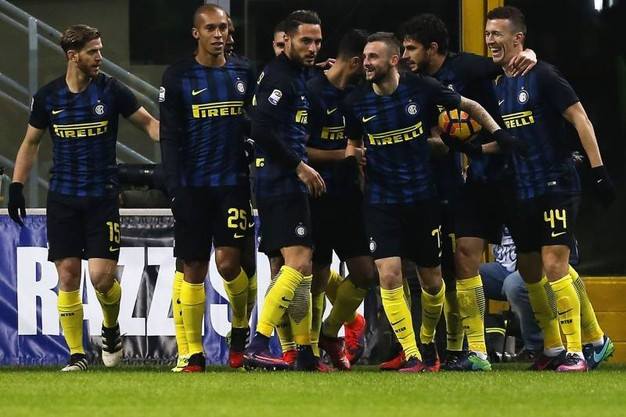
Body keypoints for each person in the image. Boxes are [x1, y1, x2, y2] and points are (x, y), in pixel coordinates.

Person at [342, 32, 519, 372]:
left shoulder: (421, 88)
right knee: (388, 275)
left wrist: (499, 135)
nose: (366, 63)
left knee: (433, 283)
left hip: (422, 199)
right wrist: (354, 162)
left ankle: (427, 345)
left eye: (373, 57)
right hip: (380, 201)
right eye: (364, 57)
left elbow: (471, 106)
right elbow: (353, 144)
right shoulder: (356, 101)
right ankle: (412, 353)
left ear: (393, 60)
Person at [8, 24, 159, 371]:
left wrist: (183, 137)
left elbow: (149, 124)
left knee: (102, 278)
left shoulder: (111, 90)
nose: (99, 57)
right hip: (63, 198)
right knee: (67, 276)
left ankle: (111, 328)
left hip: (102, 198)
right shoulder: (48, 98)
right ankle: (76, 355)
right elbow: (30, 142)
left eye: (100, 50)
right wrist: (16, 185)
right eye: (93, 52)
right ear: (73, 56)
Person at [396, 13, 536, 371]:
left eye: (411, 48)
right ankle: (476, 352)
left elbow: (509, 64)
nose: (406, 55)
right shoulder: (417, 84)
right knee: (463, 258)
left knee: (539, 260)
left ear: (433, 48)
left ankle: (575, 343)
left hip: (513, 173)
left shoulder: (468, 68)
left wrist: (529, 54)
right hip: (472, 178)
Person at [486, 6, 615, 371]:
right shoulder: (498, 86)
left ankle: (577, 352)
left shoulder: (543, 75)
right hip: (522, 188)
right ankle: (555, 347)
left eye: (497, 34)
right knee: (529, 270)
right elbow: (508, 140)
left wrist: (599, 171)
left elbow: (580, 118)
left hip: (556, 183)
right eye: (488, 34)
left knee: (554, 264)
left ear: (517, 39)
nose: (490, 41)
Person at [160, 4, 256, 372]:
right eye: (210, 28)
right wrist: (174, 188)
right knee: (194, 265)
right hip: (192, 187)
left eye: (223, 28)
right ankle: (194, 354)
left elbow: (257, 124)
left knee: (228, 263)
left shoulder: (244, 72)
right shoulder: (178, 77)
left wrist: (251, 144)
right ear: (196, 33)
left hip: (233, 184)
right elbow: (169, 137)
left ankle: (240, 326)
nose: (218, 35)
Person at [244, 10, 326, 371]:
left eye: (317, 41)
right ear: (287, 40)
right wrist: (299, 166)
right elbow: (260, 129)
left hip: (278, 181)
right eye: (305, 41)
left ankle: (302, 352)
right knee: (299, 262)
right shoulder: (280, 78)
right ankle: (258, 343)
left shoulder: (295, 75)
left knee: (292, 270)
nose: (312, 47)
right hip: (282, 181)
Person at [305, 28, 377, 370]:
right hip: (317, 195)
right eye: (369, 60)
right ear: (356, 61)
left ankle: (329, 331)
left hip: (349, 197)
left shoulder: (359, 95)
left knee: (365, 272)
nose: (371, 67)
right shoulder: (311, 92)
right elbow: (298, 149)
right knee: (318, 276)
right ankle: (309, 350)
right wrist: (344, 156)